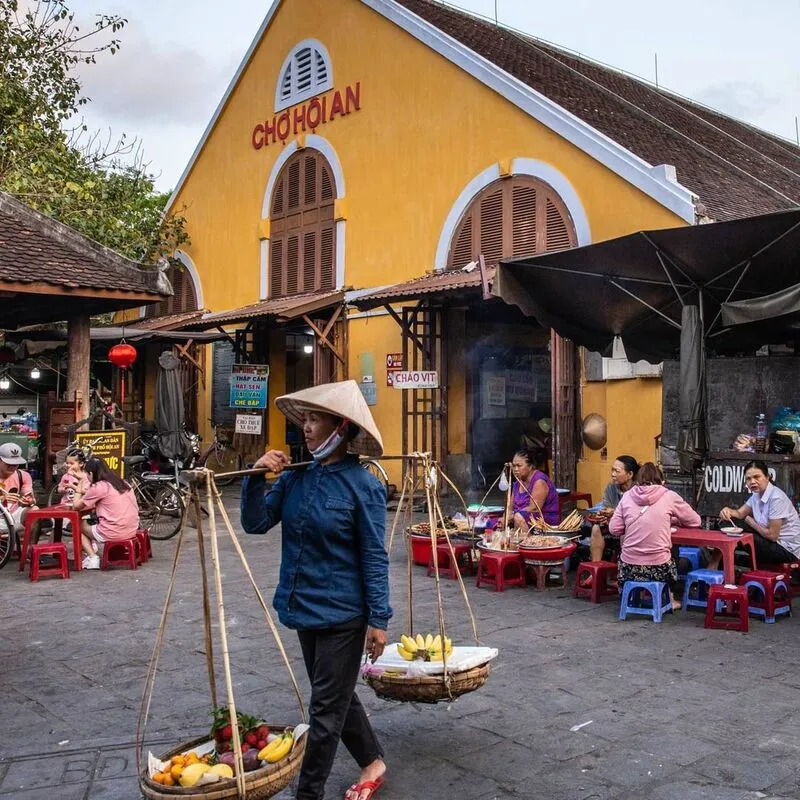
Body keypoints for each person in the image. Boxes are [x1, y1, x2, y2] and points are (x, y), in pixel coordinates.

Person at [240, 380, 391, 800]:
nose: (305, 428)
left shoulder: (364, 486)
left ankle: (308, 793)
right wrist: (256, 476)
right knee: (335, 694)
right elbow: (255, 524)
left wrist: (379, 618)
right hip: (302, 606)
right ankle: (374, 760)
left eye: (314, 419)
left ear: (340, 428)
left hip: (344, 613)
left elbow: (374, 557)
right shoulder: (295, 479)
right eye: (304, 419)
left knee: (324, 709)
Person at [608, 462, 701, 610]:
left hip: (629, 568)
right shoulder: (669, 496)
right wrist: (671, 518)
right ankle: (670, 597)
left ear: (637, 481)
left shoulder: (626, 497)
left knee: (626, 553)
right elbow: (695, 520)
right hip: (658, 569)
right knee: (672, 552)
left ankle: (632, 597)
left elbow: (614, 529)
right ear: (661, 481)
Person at [719, 460, 800, 567]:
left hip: (786, 549)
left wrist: (752, 523)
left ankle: (724, 565)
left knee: (744, 537)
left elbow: (772, 536)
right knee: (726, 523)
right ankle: (721, 566)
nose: (752, 481)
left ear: (767, 477)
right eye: (748, 479)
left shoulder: (776, 498)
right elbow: (739, 514)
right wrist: (727, 511)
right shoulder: (756, 495)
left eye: (757, 477)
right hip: (768, 541)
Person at [70, 456, 139, 570]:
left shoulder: (99, 486)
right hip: (131, 529)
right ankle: (92, 550)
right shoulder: (121, 482)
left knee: (76, 524)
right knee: (90, 523)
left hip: (113, 532)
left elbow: (75, 506)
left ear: (91, 474)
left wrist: (78, 488)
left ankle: (93, 557)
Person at [589, 455, 639, 562]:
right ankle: (596, 567)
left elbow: (638, 514)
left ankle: (626, 566)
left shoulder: (638, 490)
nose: (613, 474)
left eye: (617, 471)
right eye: (612, 470)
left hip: (633, 527)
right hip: (614, 526)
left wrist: (615, 513)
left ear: (630, 474)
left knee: (626, 533)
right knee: (596, 528)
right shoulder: (611, 488)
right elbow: (607, 508)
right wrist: (603, 516)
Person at [510, 447, 559, 529]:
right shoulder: (518, 483)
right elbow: (510, 506)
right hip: (520, 515)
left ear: (530, 466)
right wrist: (506, 516)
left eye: (519, 466)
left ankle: (526, 541)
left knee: (518, 517)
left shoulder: (539, 481)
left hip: (543, 520)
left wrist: (514, 515)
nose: (515, 469)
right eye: (514, 466)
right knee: (491, 521)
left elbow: (534, 508)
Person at [0, 441, 37, 541]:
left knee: (34, 511)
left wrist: (29, 500)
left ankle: (29, 550)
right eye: (9, 463)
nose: (13, 467)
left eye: (15, 464)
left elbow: (28, 494)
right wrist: (3, 499)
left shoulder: (23, 475)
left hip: (13, 514)